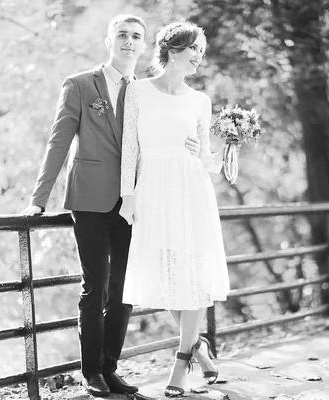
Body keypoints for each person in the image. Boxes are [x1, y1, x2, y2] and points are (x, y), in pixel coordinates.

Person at [21, 15, 201, 398]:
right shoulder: (81, 84)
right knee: (96, 287)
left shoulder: (147, 90)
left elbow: (165, 133)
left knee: (125, 289)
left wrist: (193, 147)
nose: (130, 42)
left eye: (137, 37)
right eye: (123, 35)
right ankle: (91, 374)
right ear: (109, 41)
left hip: (134, 201)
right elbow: (58, 142)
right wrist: (38, 200)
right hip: (88, 199)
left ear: (144, 45)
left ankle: (110, 368)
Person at [118, 21, 231, 397]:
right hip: (152, 188)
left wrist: (224, 150)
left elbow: (208, 161)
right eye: (194, 48)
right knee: (164, 274)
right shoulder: (137, 91)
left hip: (191, 189)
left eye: (202, 49)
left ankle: (182, 361)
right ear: (173, 49)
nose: (199, 56)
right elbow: (129, 149)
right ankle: (199, 345)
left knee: (193, 275)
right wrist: (128, 196)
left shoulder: (200, 100)